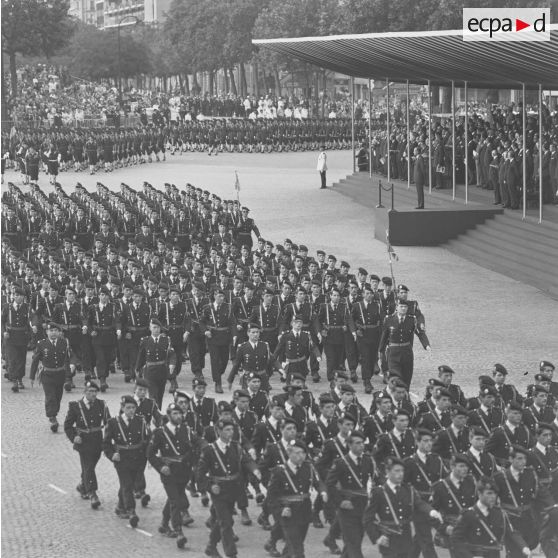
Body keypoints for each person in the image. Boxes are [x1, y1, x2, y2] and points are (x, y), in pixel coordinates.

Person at [197, 418, 260, 558]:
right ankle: (231, 554)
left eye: (232, 429)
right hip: (218, 491)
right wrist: (210, 486)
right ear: (218, 431)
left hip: (233, 489)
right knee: (226, 522)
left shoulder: (236, 447)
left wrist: (255, 470)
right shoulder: (209, 450)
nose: (230, 433)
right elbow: (200, 475)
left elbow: (246, 460)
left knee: (227, 521)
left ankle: (211, 546)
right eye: (227, 430)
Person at [364, 456, 442, 558]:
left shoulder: (408, 490)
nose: (400, 474)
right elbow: (368, 518)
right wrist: (377, 537)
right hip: (388, 538)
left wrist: (432, 511)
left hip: (405, 537)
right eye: (396, 471)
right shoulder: (379, 492)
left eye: (402, 471)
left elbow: (419, 503)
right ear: (387, 472)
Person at [267, 439, 326, 558]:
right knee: (297, 549)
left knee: (292, 546)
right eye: (297, 453)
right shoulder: (280, 471)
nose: (301, 456)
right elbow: (271, 496)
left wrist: (323, 492)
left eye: (303, 453)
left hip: (304, 511)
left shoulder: (308, 467)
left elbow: (318, 482)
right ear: (289, 453)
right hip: (288, 512)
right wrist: (280, 510)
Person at [147, 402, 194, 549]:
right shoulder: (160, 433)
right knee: (176, 501)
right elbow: (150, 454)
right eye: (175, 413)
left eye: (180, 413)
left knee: (174, 497)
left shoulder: (186, 430)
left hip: (183, 472)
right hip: (169, 473)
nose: (178, 416)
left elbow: (196, 444)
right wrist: (161, 467)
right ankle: (178, 531)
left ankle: (163, 524)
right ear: (168, 416)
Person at [450, 477, 530, 558]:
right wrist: (470, 557)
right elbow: (455, 539)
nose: (493, 496)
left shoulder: (500, 513)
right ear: (479, 494)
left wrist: (524, 547)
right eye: (489, 493)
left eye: (495, 493)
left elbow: (512, 532)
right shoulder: (468, 515)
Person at [326, 429, 375, 558]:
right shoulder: (341, 463)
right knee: (353, 542)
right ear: (349, 445)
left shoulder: (368, 460)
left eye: (363, 443)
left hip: (362, 506)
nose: (361, 446)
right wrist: (340, 502)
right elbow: (330, 484)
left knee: (356, 539)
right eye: (358, 443)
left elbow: (376, 479)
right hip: (347, 507)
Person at [103, 395, 149, 529]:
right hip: (121, 459)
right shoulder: (113, 422)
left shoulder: (141, 421)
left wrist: (147, 457)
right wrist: (112, 455)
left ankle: (120, 506)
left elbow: (146, 440)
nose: (131, 410)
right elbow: (106, 443)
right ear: (122, 408)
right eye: (128, 408)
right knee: (127, 484)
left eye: (133, 408)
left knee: (130, 483)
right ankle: (131, 510)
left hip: (137, 458)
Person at [63, 380, 110, 510]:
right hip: (83, 442)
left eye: (95, 392)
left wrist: (109, 439)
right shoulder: (75, 406)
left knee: (90, 466)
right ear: (85, 392)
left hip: (97, 441)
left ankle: (83, 486)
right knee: (89, 466)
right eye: (90, 392)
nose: (93, 394)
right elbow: (67, 426)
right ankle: (92, 493)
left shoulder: (102, 405)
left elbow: (109, 423)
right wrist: (74, 437)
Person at [29, 321, 74, 432]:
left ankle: (54, 412)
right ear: (47, 332)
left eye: (55, 331)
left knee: (58, 397)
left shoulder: (64, 343)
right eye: (51, 331)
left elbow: (68, 359)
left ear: (59, 332)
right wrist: (31, 376)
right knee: (50, 396)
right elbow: (35, 361)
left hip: (60, 374)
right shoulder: (41, 344)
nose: (53, 333)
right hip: (47, 375)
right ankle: (52, 418)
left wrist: (69, 373)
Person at [379, 299, 431, 388]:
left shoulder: (412, 320)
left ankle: (406, 398)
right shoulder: (389, 319)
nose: (403, 309)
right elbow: (384, 337)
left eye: (405, 307)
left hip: (407, 352)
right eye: (401, 306)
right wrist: (380, 350)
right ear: (397, 307)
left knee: (407, 378)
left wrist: (426, 345)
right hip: (393, 353)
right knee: (396, 378)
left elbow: (420, 332)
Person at [135, 318, 176, 409]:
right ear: (150, 328)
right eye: (154, 327)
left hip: (162, 371)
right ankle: (154, 415)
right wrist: (137, 370)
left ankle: (157, 413)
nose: (156, 330)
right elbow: (141, 356)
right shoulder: (145, 340)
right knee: (153, 395)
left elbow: (172, 354)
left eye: (158, 327)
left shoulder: (166, 340)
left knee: (159, 396)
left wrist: (172, 364)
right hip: (150, 372)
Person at [2, 286, 32, 392]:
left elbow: (30, 323)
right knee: (12, 359)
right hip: (10, 337)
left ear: (23, 297)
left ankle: (20, 379)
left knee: (21, 359)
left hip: (22, 336)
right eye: (16, 295)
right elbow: (2, 321)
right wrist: (4, 332)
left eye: (20, 296)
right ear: (13, 296)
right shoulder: (7, 307)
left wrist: (30, 336)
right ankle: (14, 380)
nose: (17, 297)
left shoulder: (26, 307)